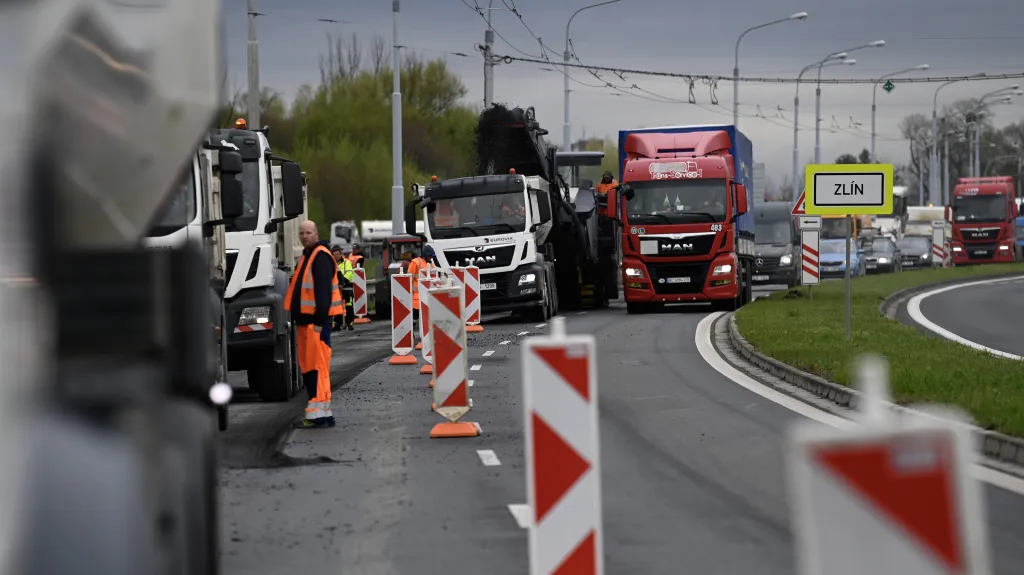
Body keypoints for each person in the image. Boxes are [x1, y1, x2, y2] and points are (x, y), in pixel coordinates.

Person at [284, 221, 344, 428]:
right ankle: (321, 413)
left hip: (315, 324)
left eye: (308, 232)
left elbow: (323, 293)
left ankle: (318, 415)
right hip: (307, 324)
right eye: (301, 233)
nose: (304, 236)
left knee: (316, 369)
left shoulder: (320, 257)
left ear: (316, 234)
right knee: (312, 369)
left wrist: (319, 322)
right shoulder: (308, 256)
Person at [332, 245, 356, 331]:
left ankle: (350, 323)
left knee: (349, 305)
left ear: (341, 254)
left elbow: (349, 273)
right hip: (336, 289)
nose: (336, 256)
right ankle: (337, 324)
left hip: (347, 287)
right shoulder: (331, 264)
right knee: (337, 307)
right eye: (334, 254)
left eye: (337, 254)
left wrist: (343, 282)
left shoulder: (347, 262)